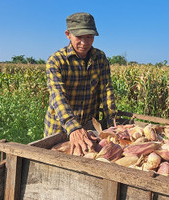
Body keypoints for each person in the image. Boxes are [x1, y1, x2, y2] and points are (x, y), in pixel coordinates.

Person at [44, 12, 117, 156]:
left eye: (89, 37)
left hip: (89, 127)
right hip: (60, 127)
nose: (84, 42)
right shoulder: (56, 61)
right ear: (68, 34)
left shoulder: (100, 58)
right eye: (79, 37)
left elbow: (106, 90)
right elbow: (58, 97)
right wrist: (73, 128)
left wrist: (113, 123)